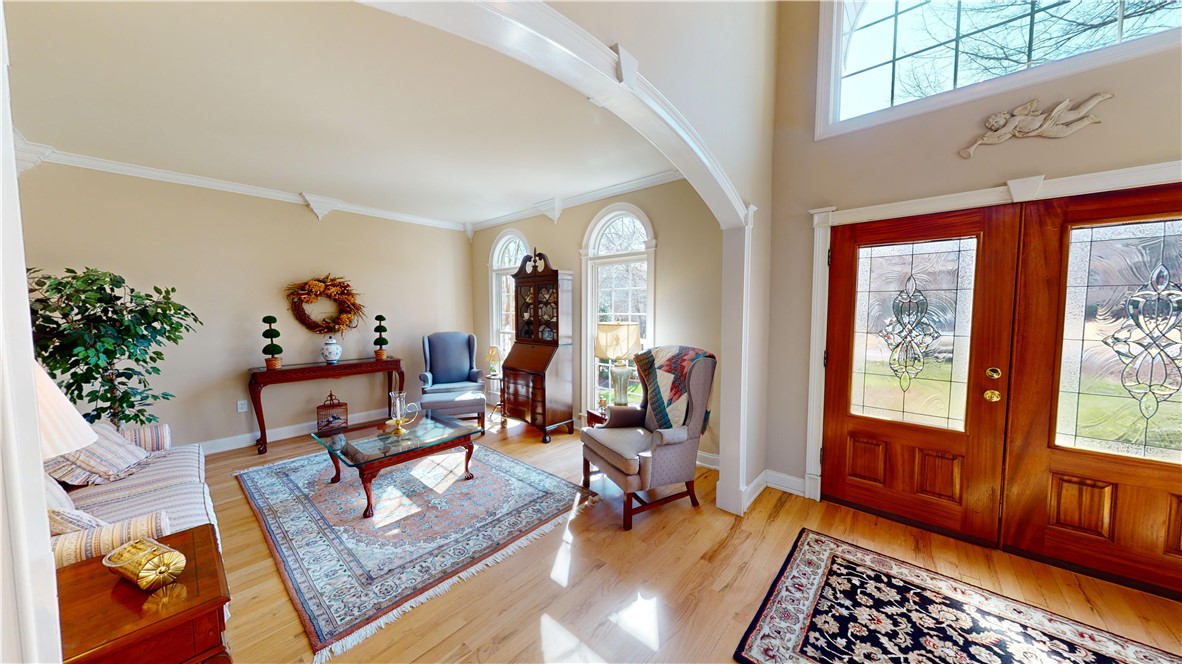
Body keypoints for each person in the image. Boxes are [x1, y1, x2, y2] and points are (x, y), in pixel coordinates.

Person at [959, 92, 1114, 159]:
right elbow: (999, 139)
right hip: (1044, 130)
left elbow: (1003, 130)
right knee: (1065, 132)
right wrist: (983, 141)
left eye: (995, 121)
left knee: (1076, 113)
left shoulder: (1015, 119)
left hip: (1048, 119)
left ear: (1003, 116)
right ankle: (1089, 119)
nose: (995, 125)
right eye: (994, 126)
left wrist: (990, 134)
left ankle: (1098, 97)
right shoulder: (1013, 132)